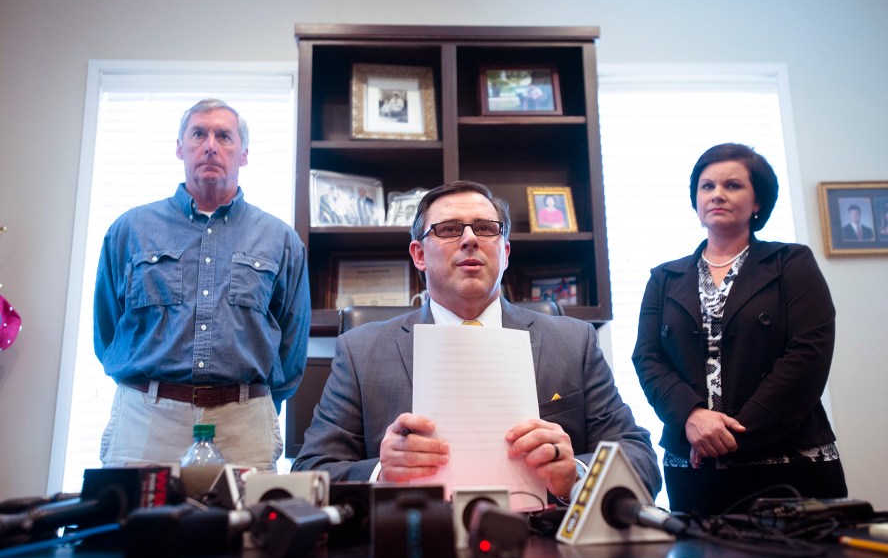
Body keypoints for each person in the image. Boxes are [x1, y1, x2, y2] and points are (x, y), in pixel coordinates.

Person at [293, 180, 661, 503]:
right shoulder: (362, 350)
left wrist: (577, 474)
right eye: (450, 229)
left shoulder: (573, 342)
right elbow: (309, 475)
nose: (470, 239)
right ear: (419, 255)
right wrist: (383, 475)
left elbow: (641, 461)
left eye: (486, 228)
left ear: (505, 252)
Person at [94, 98, 311, 471]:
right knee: (134, 529)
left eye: (224, 136)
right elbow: (107, 330)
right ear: (180, 147)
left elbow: (291, 348)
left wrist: (253, 401)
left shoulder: (281, 240)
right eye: (199, 134)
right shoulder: (129, 230)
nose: (210, 144)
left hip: (243, 424)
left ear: (243, 154)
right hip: (146, 419)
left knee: (246, 529)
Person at [632, 143, 847, 515]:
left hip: (789, 462)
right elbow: (648, 359)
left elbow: (807, 355)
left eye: (732, 185)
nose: (717, 194)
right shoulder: (664, 277)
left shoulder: (791, 263)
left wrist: (728, 437)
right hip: (693, 467)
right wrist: (692, 417)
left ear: (757, 201)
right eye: (707, 186)